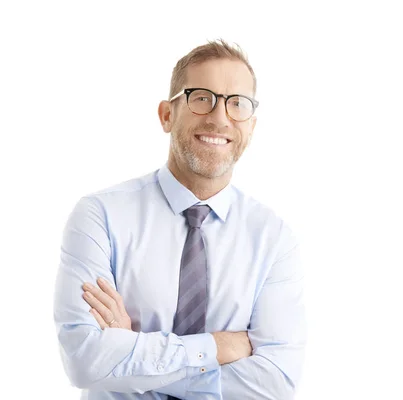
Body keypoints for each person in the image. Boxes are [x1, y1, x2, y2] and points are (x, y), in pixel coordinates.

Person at [53, 39, 306, 399]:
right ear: (166, 115)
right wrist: (218, 348)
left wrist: (131, 354)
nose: (220, 118)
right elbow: (84, 361)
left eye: (237, 104)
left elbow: (275, 383)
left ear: (250, 127)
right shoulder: (100, 217)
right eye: (202, 98)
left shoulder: (274, 239)